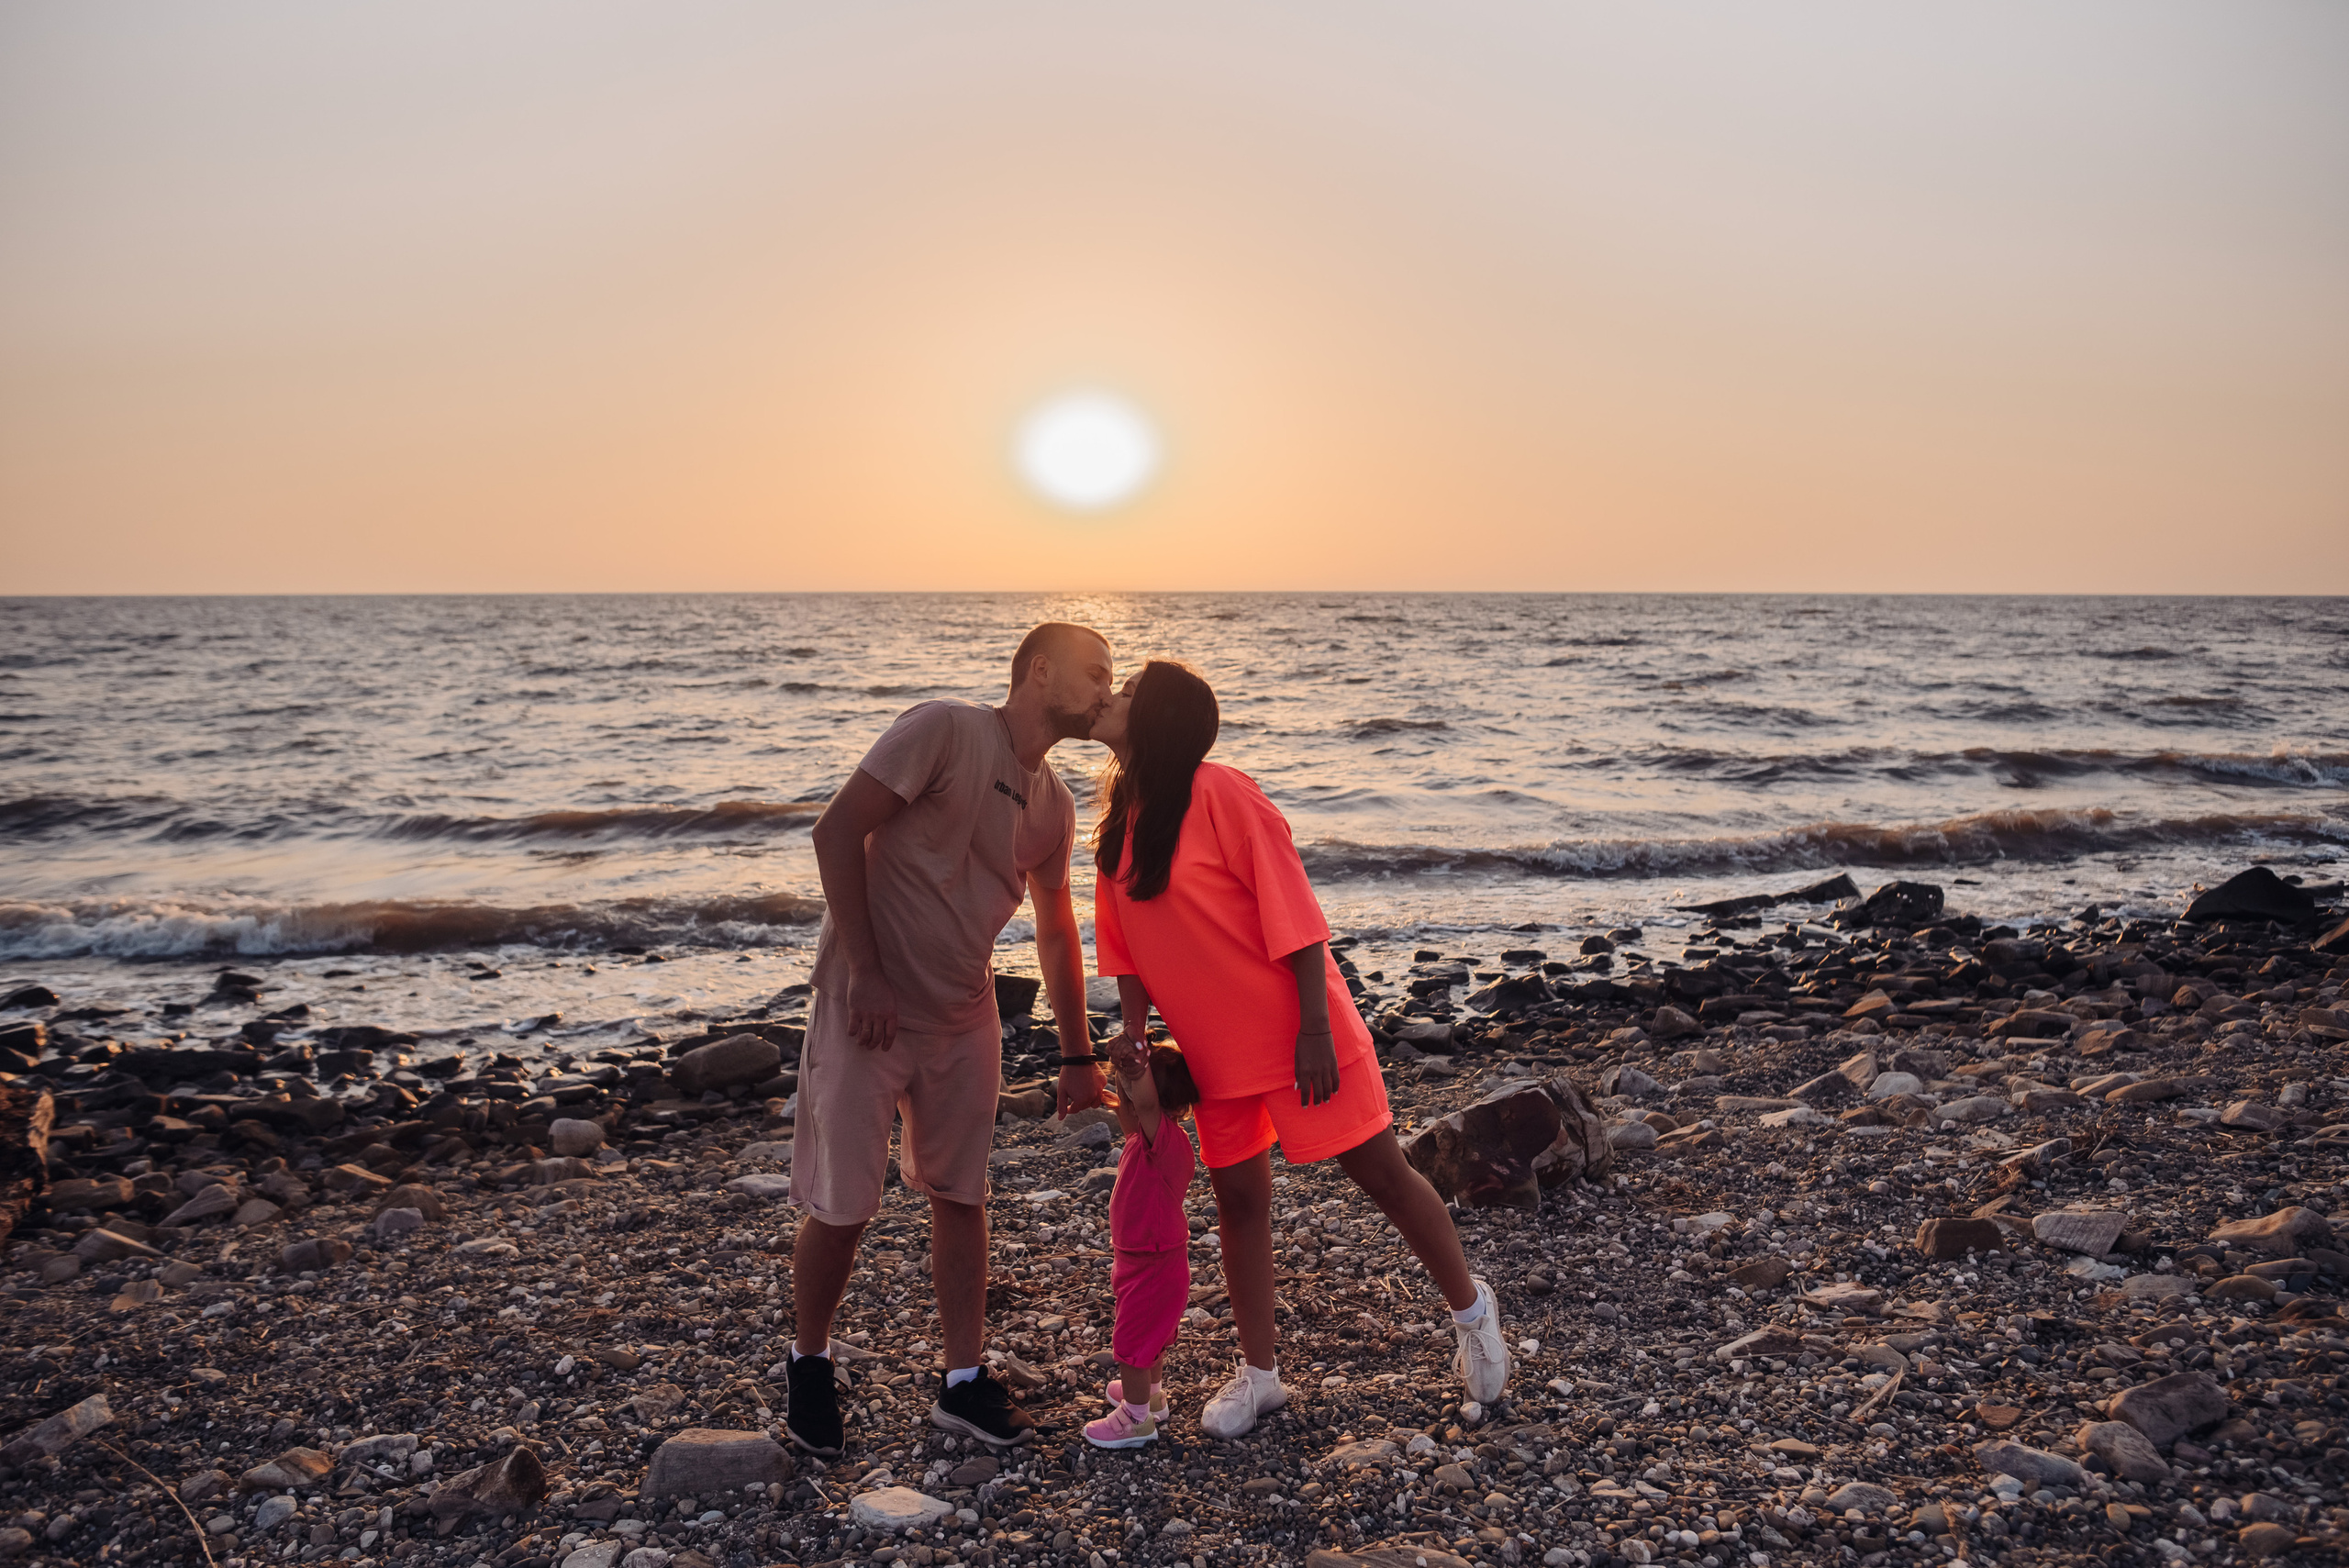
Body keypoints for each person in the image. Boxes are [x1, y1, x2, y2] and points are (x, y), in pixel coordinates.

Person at [1090, 659, 1510, 1440]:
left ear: (1156, 720)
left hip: (1300, 1034)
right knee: (1240, 1205)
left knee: (1386, 1176)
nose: (1109, 699)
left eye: (1125, 693)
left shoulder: (1223, 792)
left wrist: (1314, 1028)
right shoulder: (1116, 824)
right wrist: (1136, 1035)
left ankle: (1474, 1313)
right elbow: (1127, 953)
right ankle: (1261, 1378)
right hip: (1216, 1055)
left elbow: (1296, 912)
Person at [785, 622, 1114, 1459]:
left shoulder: (1055, 805)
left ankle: (962, 1382)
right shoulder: (945, 729)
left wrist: (1078, 1058)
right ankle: (809, 1363)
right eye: (1096, 671)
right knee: (846, 1202)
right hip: (870, 1005)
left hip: (962, 1014)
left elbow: (1057, 929)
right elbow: (835, 832)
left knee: (963, 1194)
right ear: (1039, 672)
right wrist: (864, 970)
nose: (1108, 689)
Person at [1082, 1036, 1203, 1450]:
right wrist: (1119, 1072)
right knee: (1150, 1337)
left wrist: (1135, 1072)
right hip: (1143, 1257)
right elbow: (1134, 1113)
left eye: (1133, 1088)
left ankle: (1136, 1421)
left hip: (1153, 1262)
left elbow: (1144, 1107)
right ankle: (1151, 1397)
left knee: (1132, 1344)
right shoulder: (1145, 1137)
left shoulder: (1166, 1142)